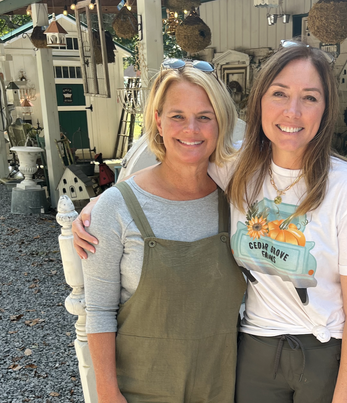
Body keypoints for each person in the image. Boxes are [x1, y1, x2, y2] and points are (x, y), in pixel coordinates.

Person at [74, 44, 347, 403]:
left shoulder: (346, 186)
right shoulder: (239, 168)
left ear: (326, 108)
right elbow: (177, 166)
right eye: (279, 93)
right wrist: (104, 203)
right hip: (255, 351)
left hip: (326, 350)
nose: (293, 110)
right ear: (260, 103)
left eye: (310, 97)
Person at [81, 61, 246, 403]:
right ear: (158, 120)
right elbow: (98, 311)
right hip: (139, 391)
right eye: (177, 116)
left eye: (205, 116)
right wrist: (108, 393)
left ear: (221, 123)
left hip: (221, 388)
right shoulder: (116, 207)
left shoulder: (239, 202)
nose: (191, 129)